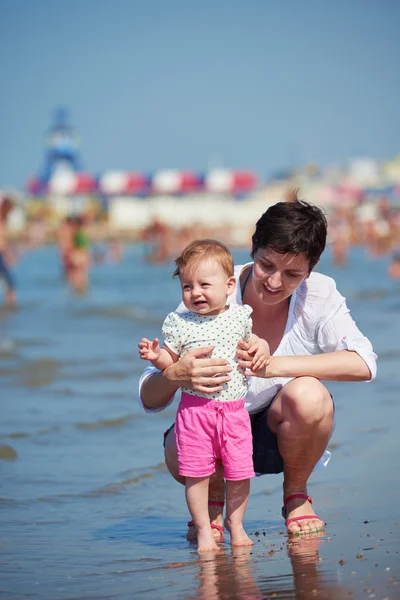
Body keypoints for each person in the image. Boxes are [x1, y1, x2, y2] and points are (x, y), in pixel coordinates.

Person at [138, 196, 377, 539]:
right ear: (252, 248)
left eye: (293, 273)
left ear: (311, 268)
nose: (275, 282)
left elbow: (364, 363)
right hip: (211, 432)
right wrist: (175, 374)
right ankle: (213, 502)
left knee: (309, 394)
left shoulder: (319, 294)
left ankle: (295, 496)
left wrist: (273, 366)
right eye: (267, 266)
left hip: (280, 431)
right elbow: (150, 398)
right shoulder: (211, 288)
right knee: (178, 444)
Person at [138, 239, 270, 552]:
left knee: (239, 473)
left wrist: (261, 346)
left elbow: (253, 342)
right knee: (196, 475)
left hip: (234, 412)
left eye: (204, 285)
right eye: (187, 286)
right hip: (194, 414)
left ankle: (235, 524)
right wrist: (157, 357)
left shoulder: (239, 316)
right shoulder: (179, 323)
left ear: (228, 286)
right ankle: (203, 529)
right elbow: (172, 365)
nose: (195, 293)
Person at [0, 195, 17, 307]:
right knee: (10, 280)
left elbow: (4, 239)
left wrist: (9, 253)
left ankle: (10, 303)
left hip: (1, 253)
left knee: (10, 280)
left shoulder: (4, 219)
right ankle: (10, 303)